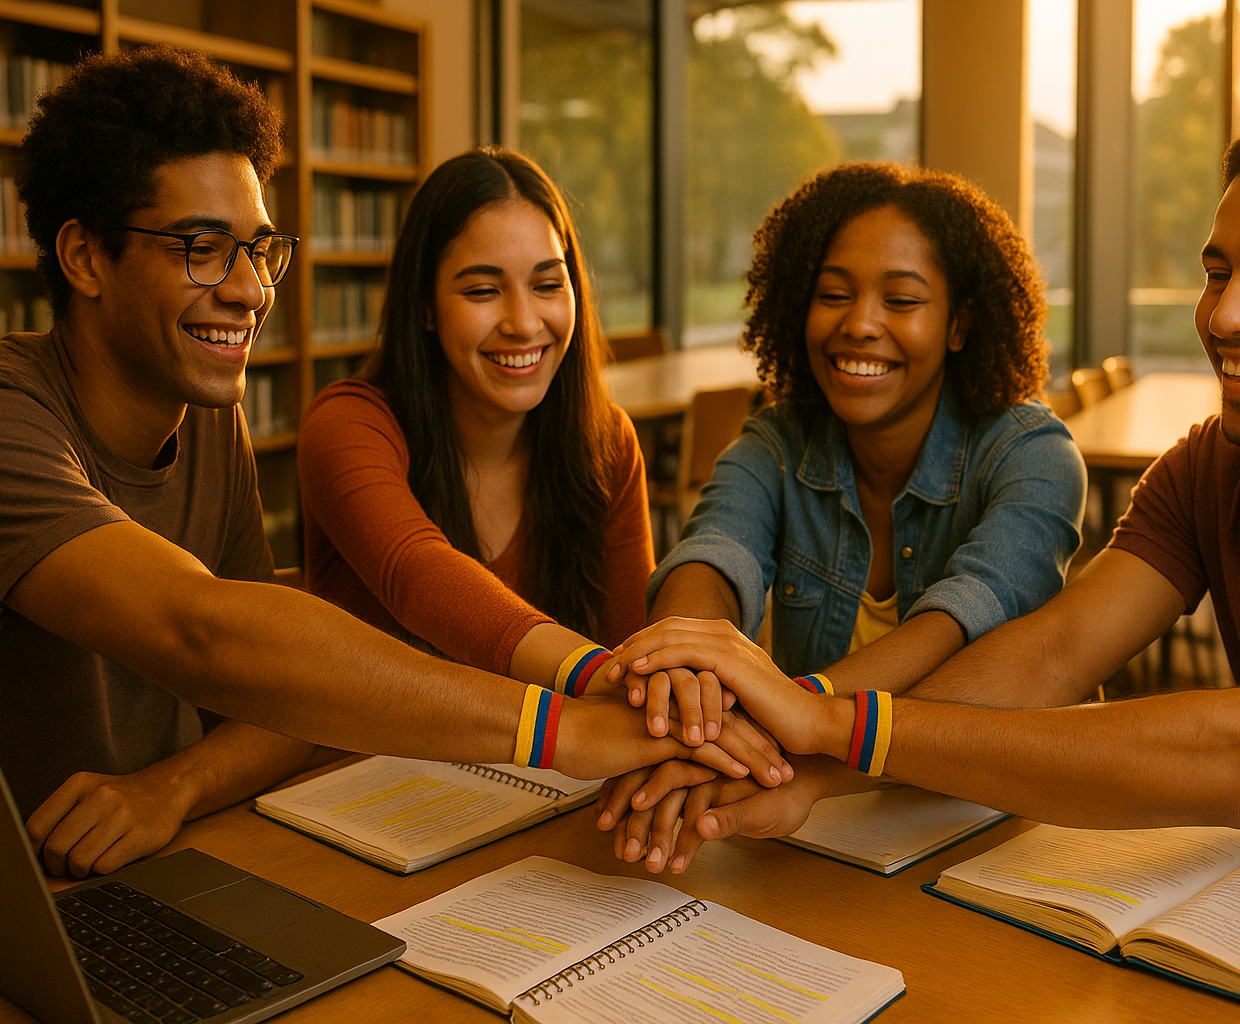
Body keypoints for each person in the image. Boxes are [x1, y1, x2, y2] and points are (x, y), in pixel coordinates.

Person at [603, 106, 1240, 877]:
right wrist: (811, 770)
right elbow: (1049, 657)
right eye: (1217, 274)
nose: (1225, 315)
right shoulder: (1214, 466)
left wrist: (834, 723)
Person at [0, 46, 782, 878]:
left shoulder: (205, 423)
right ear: (84, 256)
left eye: (259, 250)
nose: (253, 291)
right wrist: (571, 725)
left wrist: (175, 786)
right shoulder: (17, 410)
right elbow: (202, 632)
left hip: (156, 865)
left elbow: (272, 688)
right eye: (202, 247)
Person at [635, 162, 1085, 744]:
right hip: (812, 800)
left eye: (900, 300)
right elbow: (715, 554)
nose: (861, 323)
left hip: (987, 804)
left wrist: (800, 710)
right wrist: (687, 656)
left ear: (958, 324)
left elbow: (959, 621)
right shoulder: (776, 443)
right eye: (834, 295)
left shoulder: (1033, 455)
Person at [298, 148, 653, 695]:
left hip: (542, 772)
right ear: (424, 307)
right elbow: (418, 577)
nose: (524, 322)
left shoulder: (606, 443)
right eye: (483, 290)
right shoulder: (348, 425)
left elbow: (633, 651)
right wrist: (600, 677)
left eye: (547, 284)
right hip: (366, 770)